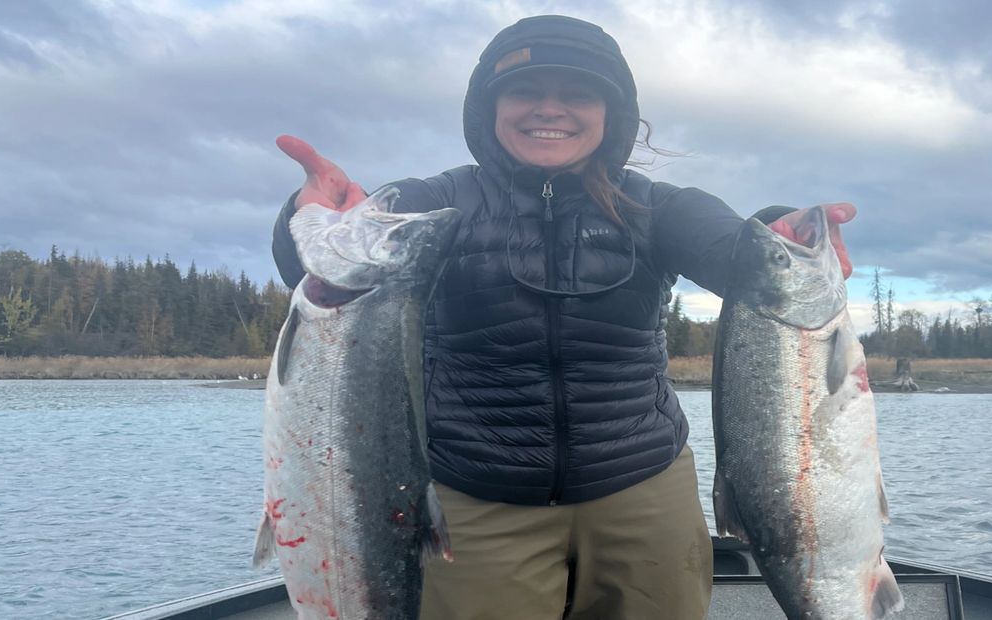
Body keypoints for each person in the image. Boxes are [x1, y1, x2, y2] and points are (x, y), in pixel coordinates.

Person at [271, 14, 854, 620]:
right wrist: (309, 218)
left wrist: (790, 230)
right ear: (490, 108)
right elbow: (328, 267)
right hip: (474, 494)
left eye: (577, 93)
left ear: (612, 114)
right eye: (526, 91)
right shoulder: (437, 202)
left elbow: (746, 256)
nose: (549, 110)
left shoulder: (657, 207)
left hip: (643, 484)